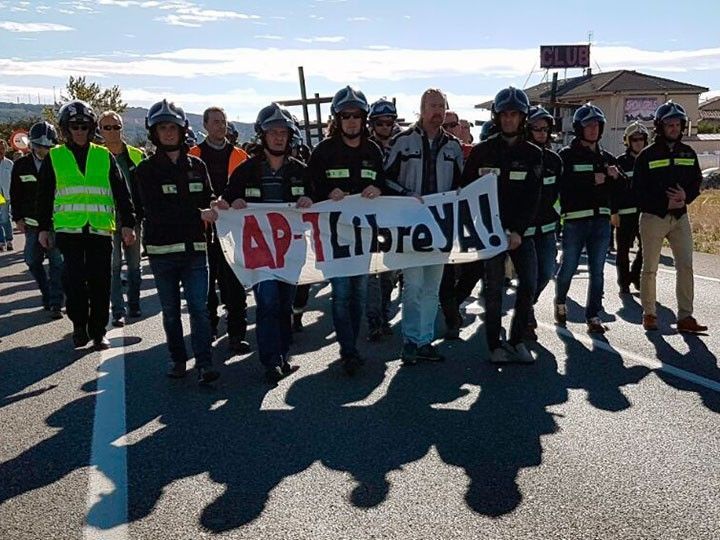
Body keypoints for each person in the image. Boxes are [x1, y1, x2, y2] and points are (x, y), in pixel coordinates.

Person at [222, 104, 313, 384]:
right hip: (260, 254)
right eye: (272, 132)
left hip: (290, 254)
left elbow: (317, 204)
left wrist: (310, 201)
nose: (278, 137)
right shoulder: (245, 171)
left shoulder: (301, 172)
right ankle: (270, 361)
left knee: (284, 304)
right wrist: (232, 203)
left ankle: (283, 356)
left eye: (283, 132)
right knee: (268, 303)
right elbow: (225, 200)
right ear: (262, 135)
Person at [132, 99, 220, 383]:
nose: (168, 133)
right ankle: (178, 359)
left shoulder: (198, 165)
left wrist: (216, 206)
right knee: (171, 313)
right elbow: (156, 210)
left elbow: (208, 197)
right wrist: (199, 213)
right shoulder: (144, 171)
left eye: (173, 127)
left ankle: (205, 363)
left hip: (196, 250)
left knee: (200, 310)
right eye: (163, 128)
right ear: (154, 132)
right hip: (162, 253)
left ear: (182, 130)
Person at [36, 100, 136, 350]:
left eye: (84, 125)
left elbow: (122, 192)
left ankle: (99, 330)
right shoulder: (55, 157)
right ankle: (79, 326)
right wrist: (43, 229)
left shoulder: (104, 156)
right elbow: (44, 195)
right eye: (74, 126)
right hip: (68, 231)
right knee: (74, 282)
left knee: (101, 282)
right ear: (65, 128)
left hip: (100, 230)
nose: (79, 130)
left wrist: (129, 224)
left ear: (91, 128)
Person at [305, 86, 385, 374]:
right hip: (333, 237)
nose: (351, 121)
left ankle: (351, 342)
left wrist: (379, 188)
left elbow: (385, 186)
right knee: (341, 293)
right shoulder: (324, 151)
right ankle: (348, 349)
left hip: (364, 237)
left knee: (359, 293)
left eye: (356, 116)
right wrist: (327, 191)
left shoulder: (373, 151)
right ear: (336, 119)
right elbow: (309, 188)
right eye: (345, 115)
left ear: (364, 119)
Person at [460, 87, 542, 364]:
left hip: (521, 234)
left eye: (514, 115)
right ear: (497, 117)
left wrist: (518, 230)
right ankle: (494, 345)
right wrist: (482, 228)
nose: (509, 120)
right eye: (504, 114)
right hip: (489, 234)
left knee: (529, 285)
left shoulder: (533, 154)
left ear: (523, 118)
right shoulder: (481, 152)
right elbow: (466, 191)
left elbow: (534, 197)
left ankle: (517, 340)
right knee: (493, 290)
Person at [385, 88, 464, 365]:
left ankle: (425, 340)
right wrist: (407, 195)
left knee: (433, 287)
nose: (438, 112)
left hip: (440, 227)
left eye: (441, 107)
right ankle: (409, 340)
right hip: (410, 226)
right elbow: (385, 179)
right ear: (421, 108)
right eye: (432, 106)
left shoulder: (453, 146)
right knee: (413, 285)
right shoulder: (402, 141)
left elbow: (461, 186)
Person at [632, 101, 707, 333]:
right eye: (669, 124)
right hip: (653, 218)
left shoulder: (688, 152)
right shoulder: (646, 155)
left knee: (685, 266)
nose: (674, 128)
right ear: (659, 127)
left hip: (680, 217)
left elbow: (696, 182)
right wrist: (663, 202)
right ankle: (650, 314)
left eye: (677, 124)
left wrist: (687, 196)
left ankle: (685, 317)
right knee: (650, 267)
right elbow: (638, 192)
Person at [555, 103, 623, 334]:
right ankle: (560, 301)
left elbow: (624, 189)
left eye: (596, 125)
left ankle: (593, 315)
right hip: (575, 221)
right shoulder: (566, 156)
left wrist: (615, 178)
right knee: (569, 267)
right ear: (578, 128)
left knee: (598, 270)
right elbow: (563, 187)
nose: (593, 129)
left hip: (601, 223)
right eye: (588, 125)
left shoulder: (607, 158)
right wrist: (591, 181)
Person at [188, 106, 250, 352]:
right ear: (205, 125)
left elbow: (250, 189)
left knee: (234, 284)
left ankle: (236, 333)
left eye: (223, 121)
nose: (220, 126)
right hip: (202, 230)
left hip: (234, 230)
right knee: (206, 284)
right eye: (215, 122)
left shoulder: (241, 155)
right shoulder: (193, 155)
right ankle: (210, 327)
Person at [9, 122, 64, 318]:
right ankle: (47, 291)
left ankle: (56, 302)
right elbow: (15, 194)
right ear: (32, 145)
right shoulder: (21, 166)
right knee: (32, 261)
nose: (44, 150)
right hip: (32, 224)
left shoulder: (61, 164)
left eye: (48, 147)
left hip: (56, 223)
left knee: (57, 263)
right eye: (40, 146)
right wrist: (17, 218)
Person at [97, 110, 146, 327]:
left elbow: (147, 188)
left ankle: (134, 302)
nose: (112, 131)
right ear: (100, 130)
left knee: (134, 266)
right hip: (106, 220)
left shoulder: (136, 155)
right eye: (107, 127)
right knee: (113, 266)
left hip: (133, 219)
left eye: (116, 127)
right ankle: (117, 309)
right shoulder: (95, 156)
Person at [524, 106, 562, 340]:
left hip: (547, 229)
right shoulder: (517, 158)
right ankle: (526, 314)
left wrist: (558, 220)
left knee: (546, 272)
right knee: (529, 276)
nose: (540, 133)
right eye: (535, 129)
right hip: (524, 230)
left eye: (544, 129)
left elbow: (560, 194)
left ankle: (527, 304)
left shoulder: (554, 161)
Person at [366, 97, 399, 341]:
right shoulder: (365, 148)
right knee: (370, 272)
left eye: (389, 122)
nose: (385, 127)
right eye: (380, 122)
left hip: (394, 218)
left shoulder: (403, 145)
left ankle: (385, 312)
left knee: (389, 272)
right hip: (367, 218)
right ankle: (374, 319)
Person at [613, 121, 647, 295]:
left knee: (646, 249)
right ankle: (624, 283)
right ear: (628, 141)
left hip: (645, 214)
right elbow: (613, 191)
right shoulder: (620, 162)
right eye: (634, 139)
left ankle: (635, 274)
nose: (638, 142)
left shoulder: (649, 161)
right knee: (623, 251)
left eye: (641, 139)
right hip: (624, 215)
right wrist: (614, 213)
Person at [0, 139, 13, 251]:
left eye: (3, 149)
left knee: (5, 217)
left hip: (6, 194)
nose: (1, 151)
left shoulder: (9, 163)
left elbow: (14, 180)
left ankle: (9, 240)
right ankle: (1, 241)